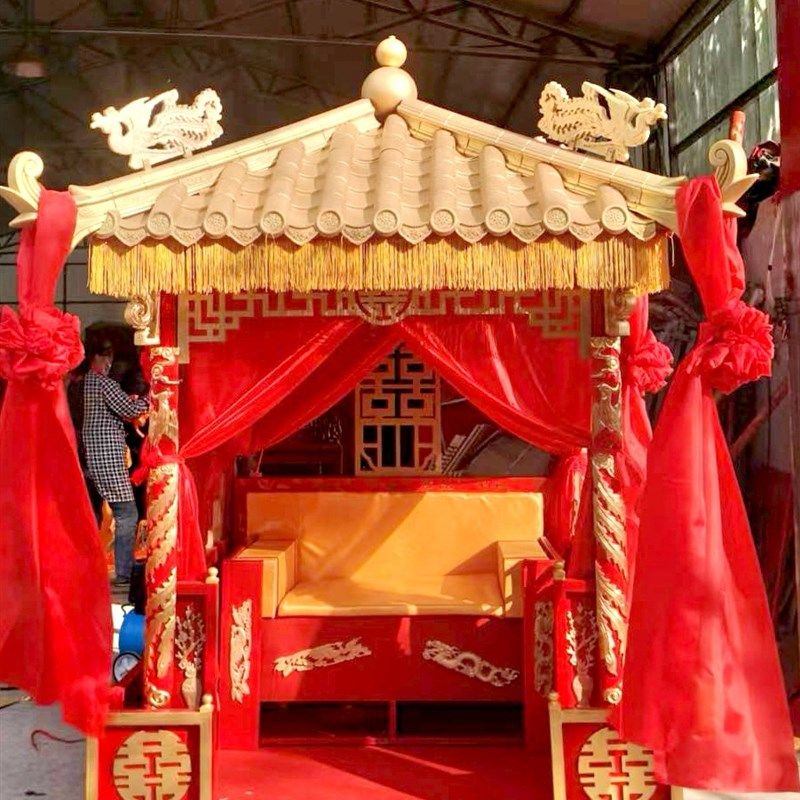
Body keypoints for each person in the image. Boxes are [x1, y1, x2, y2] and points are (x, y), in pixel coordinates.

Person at [82, 346, 149, 585]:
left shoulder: (86, 383)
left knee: (103, 514)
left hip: (95, 454)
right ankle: (124, 572)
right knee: (127, 513)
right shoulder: (103, 383)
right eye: (105, 358)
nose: (108, 364)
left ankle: (116, 567)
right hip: (106, 455)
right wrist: (151, 398)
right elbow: (130, 409)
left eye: (111, 359)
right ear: (95, 357)